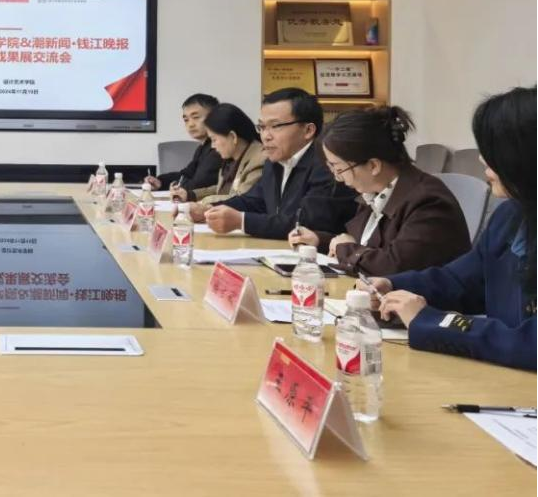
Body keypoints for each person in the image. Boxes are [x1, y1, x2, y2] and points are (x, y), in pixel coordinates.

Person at [361, 86, 536, 371]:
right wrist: (393, 286)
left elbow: (529, 343)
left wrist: (430, 321)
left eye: (492, 149)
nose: (481, 159)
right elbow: (460, 281)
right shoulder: (510, 216)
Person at [290, 106, 470, 275]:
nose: (338, 178)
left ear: (373, 166)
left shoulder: (428, 201)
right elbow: (365, 247)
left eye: (339, 169)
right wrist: (320, 241)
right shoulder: (376, 191)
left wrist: (343, 248)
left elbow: (394, 266)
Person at [204, 88, 357, 239]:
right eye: (262, 127)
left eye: (275, 126)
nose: (265, 136)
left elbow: (308, 222)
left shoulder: (328, 164)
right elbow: (254, 201)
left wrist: (242, 221)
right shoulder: (275, 161)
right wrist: (208, 210)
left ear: (308, 130)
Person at [180, 103, 265, 219]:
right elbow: (222, 191)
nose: (213, 146)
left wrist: (205, 204)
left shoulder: (259, 160)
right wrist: (191, 195)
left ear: (233, 137)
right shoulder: (230, 160)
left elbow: (242, 199)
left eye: (214, 139)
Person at [145, 93, 222, 194]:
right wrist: (160, 182)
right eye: (186, 120)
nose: (190, 124)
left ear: (215, 117)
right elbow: (186, 174)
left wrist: (176, 186)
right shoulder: (202, 147)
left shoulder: (219, 147)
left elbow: (199, 184)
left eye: (196, 117)